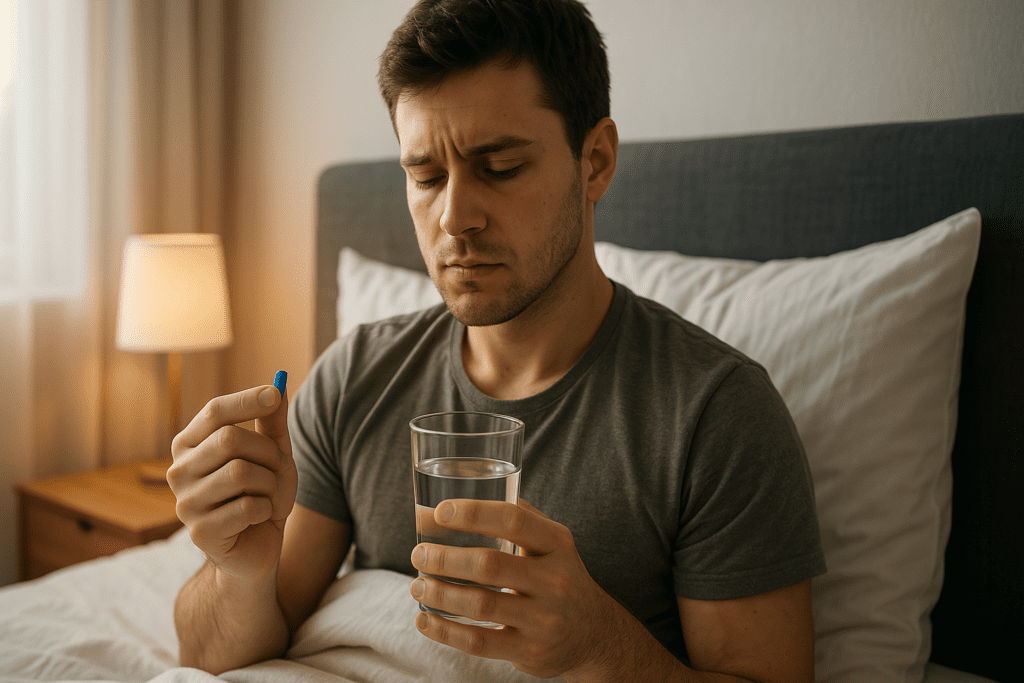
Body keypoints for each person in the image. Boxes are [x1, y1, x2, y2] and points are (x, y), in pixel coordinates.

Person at [168, 0, 826, 681]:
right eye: (425, 176)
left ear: (594, 160)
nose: (454, 217)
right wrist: (238, 571)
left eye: (501, 166)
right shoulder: (356, 377)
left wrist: (600, 643)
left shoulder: (715, 415)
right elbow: (212, 657)